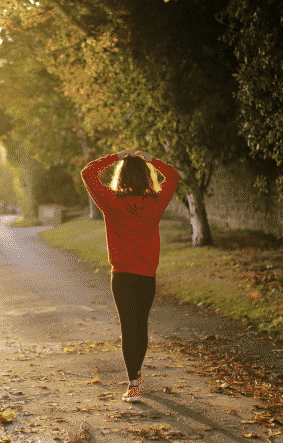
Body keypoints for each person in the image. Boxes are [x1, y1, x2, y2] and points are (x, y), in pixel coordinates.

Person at [81, 149, 181, 403]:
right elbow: (174, 176)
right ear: (147, 177)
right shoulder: (156, 203)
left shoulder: (111, 201)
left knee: (129, 327)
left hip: (122, 275)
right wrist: (151, 159)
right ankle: (136, 378)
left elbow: (88, 173)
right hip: (146, 275)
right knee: (141, 326)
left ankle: (133, 385)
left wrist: (115, 156)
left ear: (121, 176)